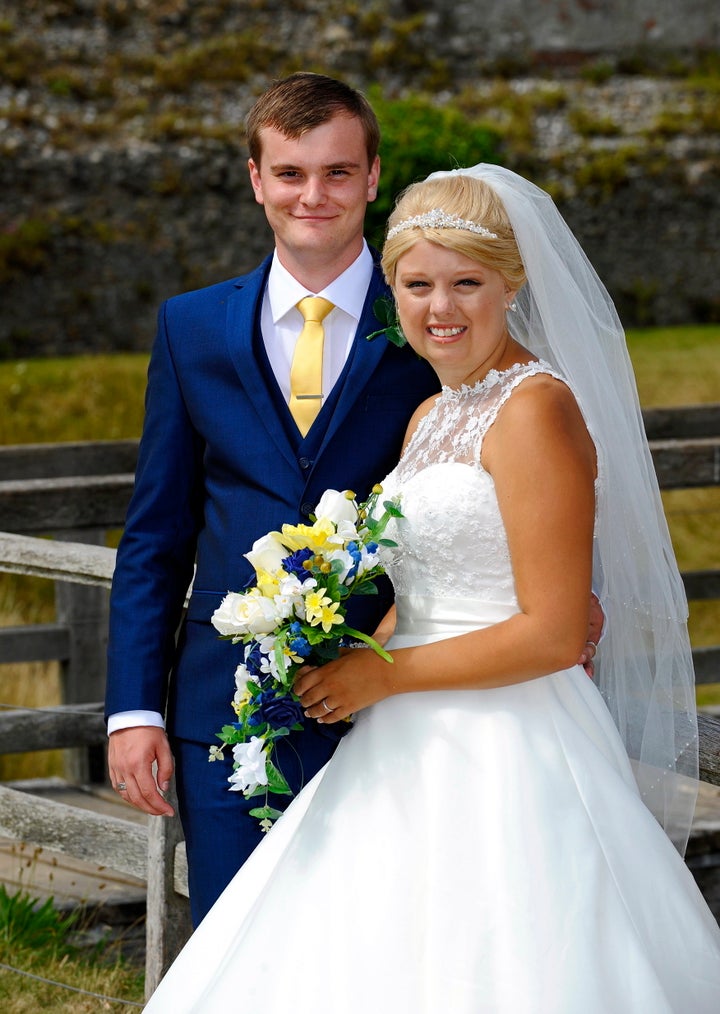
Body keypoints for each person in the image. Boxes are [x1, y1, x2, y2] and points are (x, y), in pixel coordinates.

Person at [143, 165, 720, 1012]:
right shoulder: (431, 413)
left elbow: (557, 632)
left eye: (466, 284)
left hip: (509, 738)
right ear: (392, 289)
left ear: (512, 284)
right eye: (416, 284)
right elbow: (420, 582)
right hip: (399, 730)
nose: (439, 308)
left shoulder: (535, 409)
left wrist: (384, 676)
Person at [105, 74, 600, 927]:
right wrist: (133, 707)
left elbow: (525, 499)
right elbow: (157, 533)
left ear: (373, 178)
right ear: (257, 179)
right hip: (226, 710)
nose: (314, 195)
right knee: (248, 949)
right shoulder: (189, 328)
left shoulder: (438, 316)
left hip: (410, 718)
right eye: (290, 173)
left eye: (338, 172)